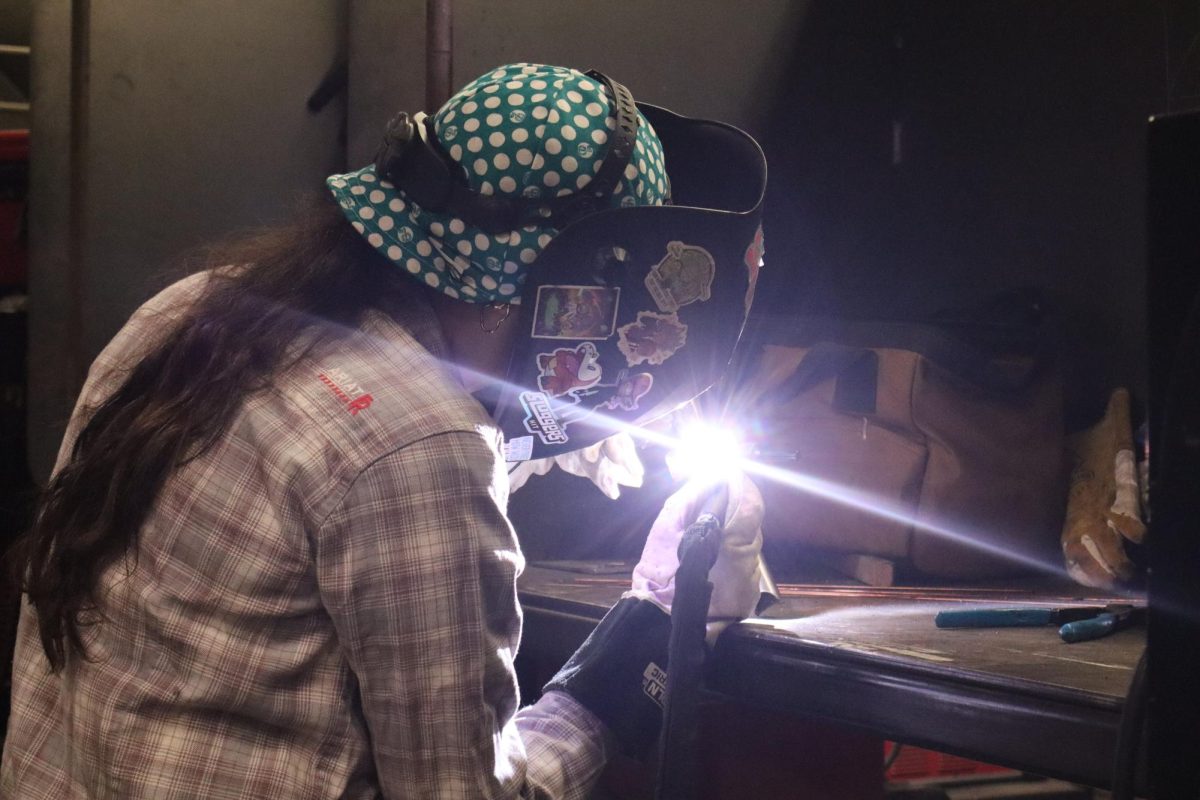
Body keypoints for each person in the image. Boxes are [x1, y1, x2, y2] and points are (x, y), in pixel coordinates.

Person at [1, 63, 766, 798]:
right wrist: (636, 655)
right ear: (567, 289)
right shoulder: (419, 444)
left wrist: (516, 435)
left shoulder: (190, 310)